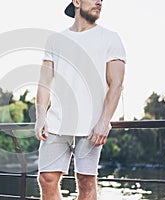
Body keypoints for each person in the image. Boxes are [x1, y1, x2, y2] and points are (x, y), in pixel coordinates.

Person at [34, 0, 126, 199]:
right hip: (56, 123)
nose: (99, 2)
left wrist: (104, 122)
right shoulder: (55, 40)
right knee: (46, 179)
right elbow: (44, 83)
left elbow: (116, 84)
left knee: (86, 182)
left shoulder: (111, 38)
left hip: (92, 127)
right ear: (76, 1)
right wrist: (41, 116)